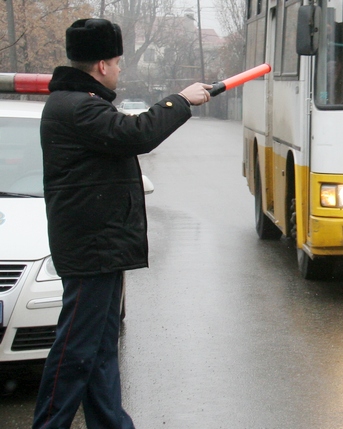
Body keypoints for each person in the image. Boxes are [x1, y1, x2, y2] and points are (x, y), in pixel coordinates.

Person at [32, 18, 211, 429]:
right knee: (76, 351)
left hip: (100, 248)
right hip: (91, 249)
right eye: (116, 62)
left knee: (97, 350)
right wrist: (180, 101)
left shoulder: (76, 103)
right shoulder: (77, 108)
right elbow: (136, 134)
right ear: (101, 65)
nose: (118, 69)